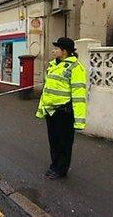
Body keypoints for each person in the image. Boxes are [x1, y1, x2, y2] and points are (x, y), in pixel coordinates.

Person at [36, 37, 87, 179]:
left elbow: (79, 95)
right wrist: (42, 109)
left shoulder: (76, 68)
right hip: (51, 112)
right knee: (53, 141)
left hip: (65, 112)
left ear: (64, 51)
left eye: (57, 48)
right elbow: (47, 90)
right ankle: (54, 165)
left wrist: (79, 121)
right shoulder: (53, 66)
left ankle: (61, 170)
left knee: (64, 143)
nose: (54, 50)